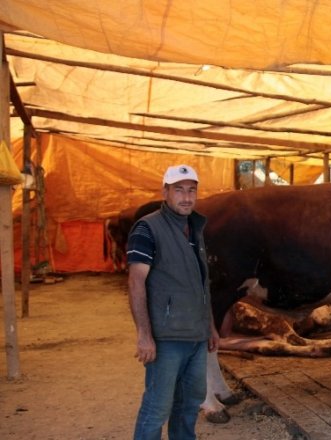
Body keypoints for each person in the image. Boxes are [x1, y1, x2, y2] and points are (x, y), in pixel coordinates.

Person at [127, 164, 220, 440]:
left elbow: (202, 285)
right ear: (165, 192)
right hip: (166, 337)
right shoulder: (147, 228)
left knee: (190, 403)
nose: (186, 197)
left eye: (191, 190)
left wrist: (210, 327)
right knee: (157, 407)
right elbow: (135, 282)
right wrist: (144, 335)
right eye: (178, 190)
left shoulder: (195, 229)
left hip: (195, 335)